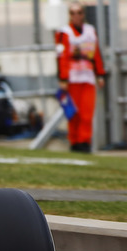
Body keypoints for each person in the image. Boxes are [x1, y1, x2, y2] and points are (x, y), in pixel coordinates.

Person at [55, 1, 106, 153]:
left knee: (87, 112)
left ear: (84, 14)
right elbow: (61, 56)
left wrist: (100, 74)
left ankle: (85, 142)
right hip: (72, 78)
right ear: (69, 15)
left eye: (79, 12)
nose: (76, 16)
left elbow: (96, 54)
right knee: (73, 113)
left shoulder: (90, 31)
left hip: (88, 77)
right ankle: (74, 141)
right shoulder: (64, 32)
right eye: (73, 13)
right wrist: (63, 78)